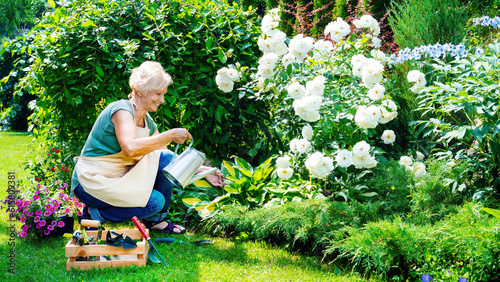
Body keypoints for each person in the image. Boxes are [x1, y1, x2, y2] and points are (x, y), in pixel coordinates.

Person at [70, 61, 224, 234]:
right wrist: (169, 135)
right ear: (142, 90)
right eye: (158, 94)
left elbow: (167, 159)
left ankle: (156, 221)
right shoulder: (121, 110)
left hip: (118, 180)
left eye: (163, 94)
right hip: (92, 182)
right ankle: (93, 214)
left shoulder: (147, 121)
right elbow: (129, 148)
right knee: (154, 202)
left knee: (164, 158)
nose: (162, 100)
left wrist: (204, 170)